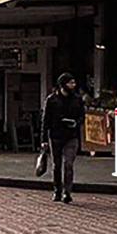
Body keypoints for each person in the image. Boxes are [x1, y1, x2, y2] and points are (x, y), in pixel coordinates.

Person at [42, 73, 85, 204]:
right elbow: (46, 120)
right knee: (56, 165)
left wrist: (76, 123)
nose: (73, 86)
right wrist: (44, 139)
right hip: (56, 136)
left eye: (74, 83)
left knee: (68, 164)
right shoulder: (52, 100)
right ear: (62, 85)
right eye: (70, 83)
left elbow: (82, 116)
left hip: (71, 136)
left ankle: (67, 191)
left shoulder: (77, 99)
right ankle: (57, 190)